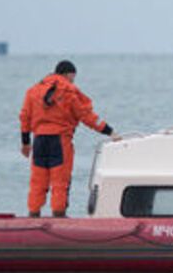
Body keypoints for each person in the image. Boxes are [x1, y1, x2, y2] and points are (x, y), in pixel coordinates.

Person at [19, 60, 116, 217]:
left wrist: (25, 142)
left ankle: (33, 214)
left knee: (38, 180)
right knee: (60, 179)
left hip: (39, 141)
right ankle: (59, 214)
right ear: (68, 74)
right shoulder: (69, 91)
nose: (73, 81)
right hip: (59, 140)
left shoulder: (33, 91)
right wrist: (109, 131)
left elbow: (24, 117)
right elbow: (87, 116)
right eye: (73, 77)